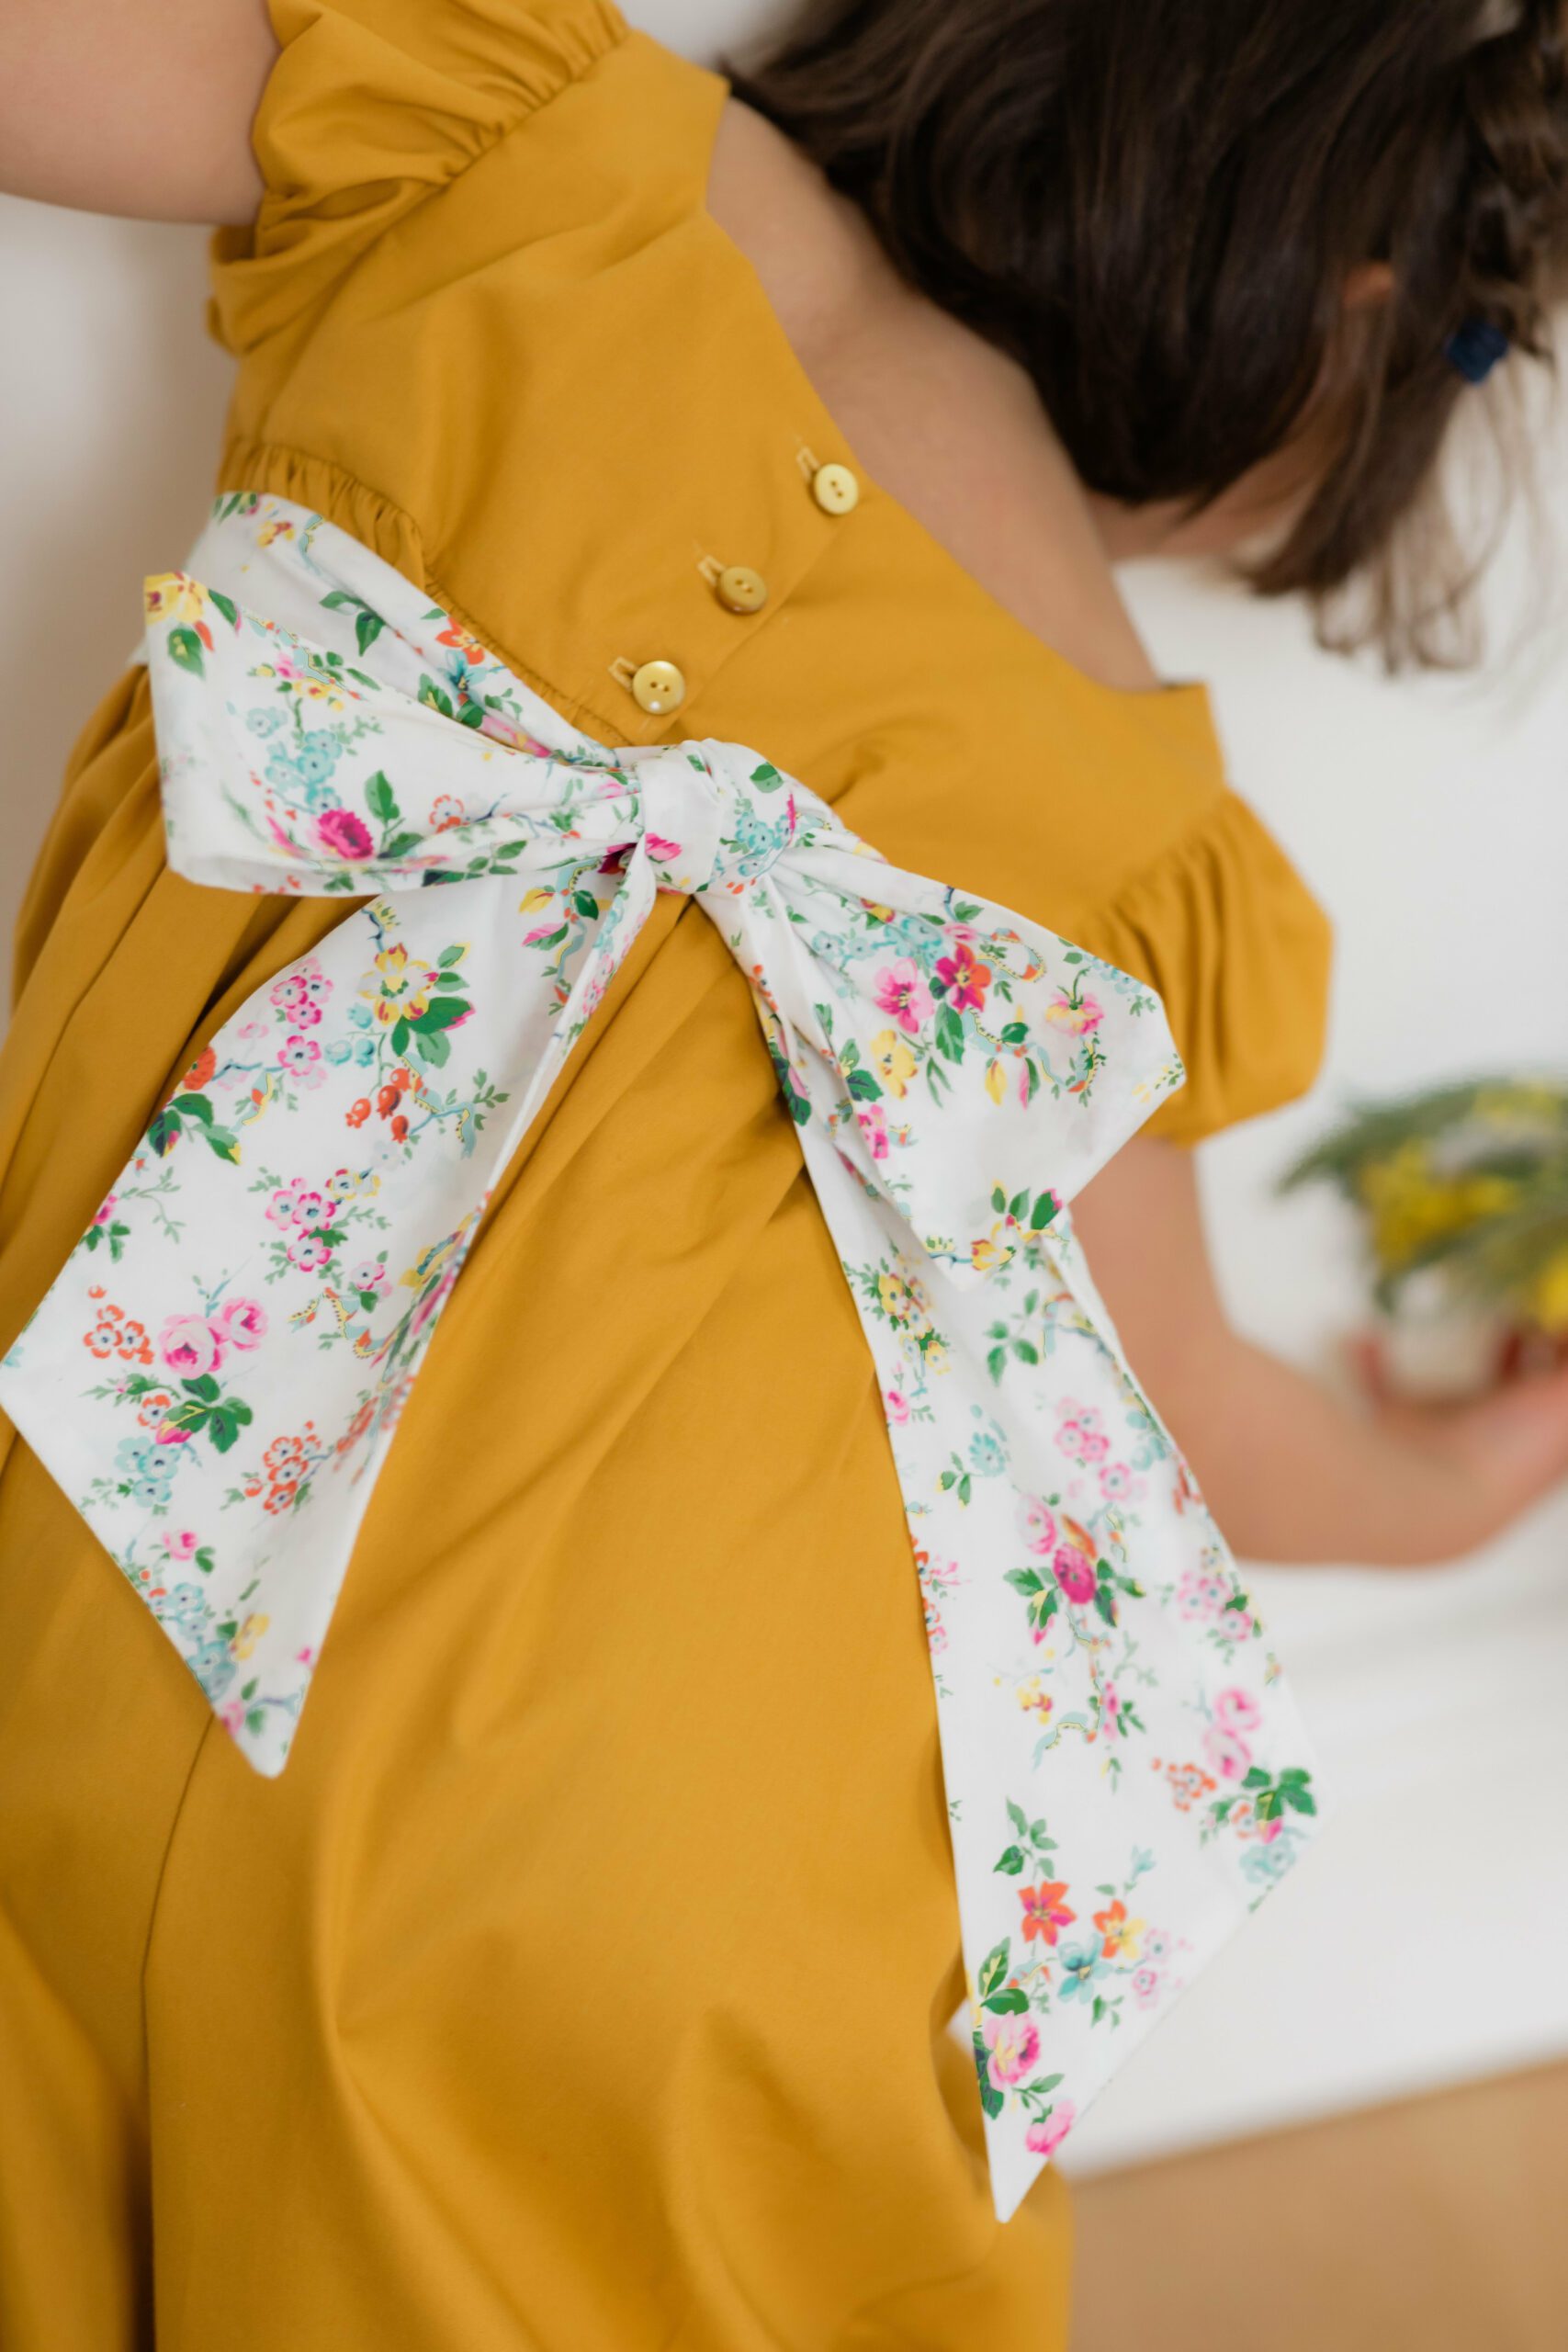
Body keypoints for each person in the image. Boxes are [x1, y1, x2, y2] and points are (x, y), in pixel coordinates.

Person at [0, 2, 1565, 2344]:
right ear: (1346, 312)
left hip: (87, 1575)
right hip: (657, 1857)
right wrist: (1471, 1470)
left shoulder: (508, 131)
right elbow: (1201, 1423)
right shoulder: (1120, 817)